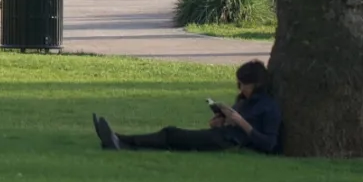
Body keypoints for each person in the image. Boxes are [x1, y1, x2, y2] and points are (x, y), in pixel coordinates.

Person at [92, 60, 281, 153]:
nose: (240, 88)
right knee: (173, 136)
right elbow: (233, 125)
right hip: (221, 136)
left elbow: (269, 144)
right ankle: (120, 142)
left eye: (243, 84)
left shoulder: (269, 107)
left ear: (256, 84)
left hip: (228, 143)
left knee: (171, 135)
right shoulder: (244, 101)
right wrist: (221, 121)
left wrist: (240, 121)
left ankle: (119, 140)